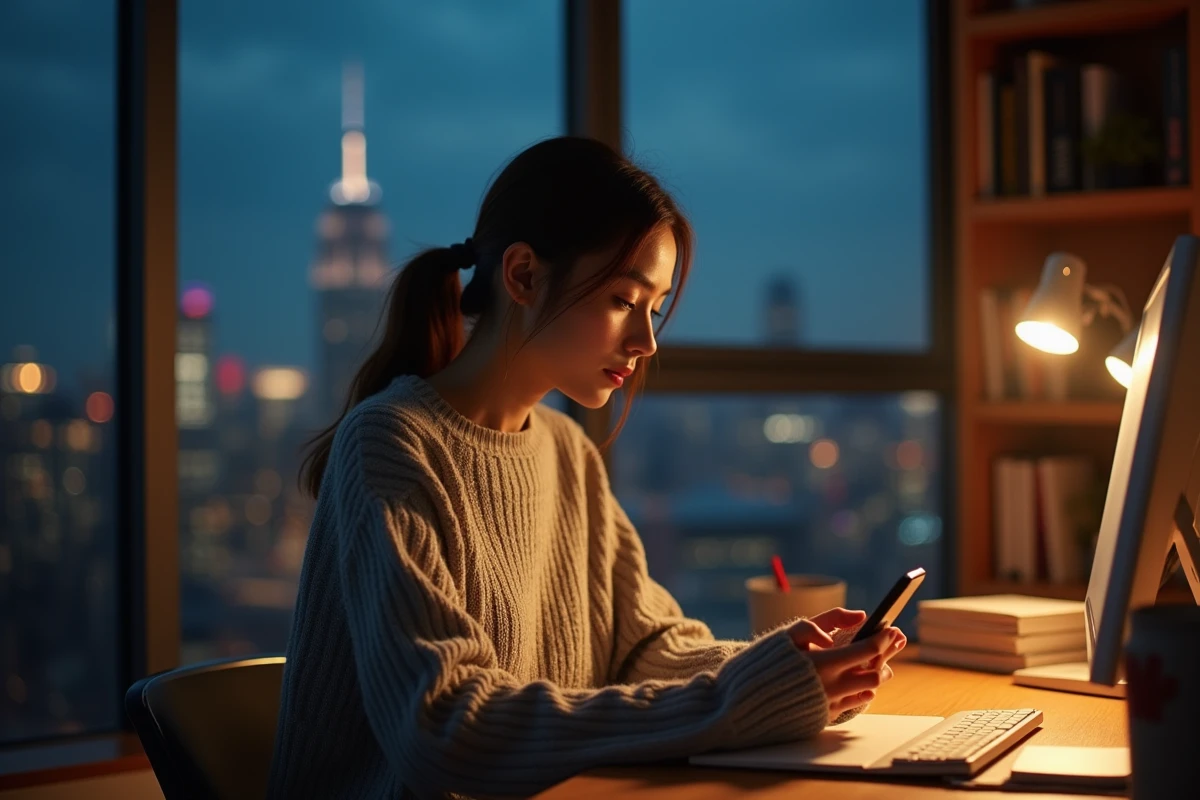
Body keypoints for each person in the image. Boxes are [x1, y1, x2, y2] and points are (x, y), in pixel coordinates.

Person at [267, 136, 907, 799]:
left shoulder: (566, 451)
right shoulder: (392, 444)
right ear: (522, 276)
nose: (646, 341)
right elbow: (448, 726)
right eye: (624, 301)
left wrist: (786, 670)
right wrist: (742, 700)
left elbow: (641, 648)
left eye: (653, 309)